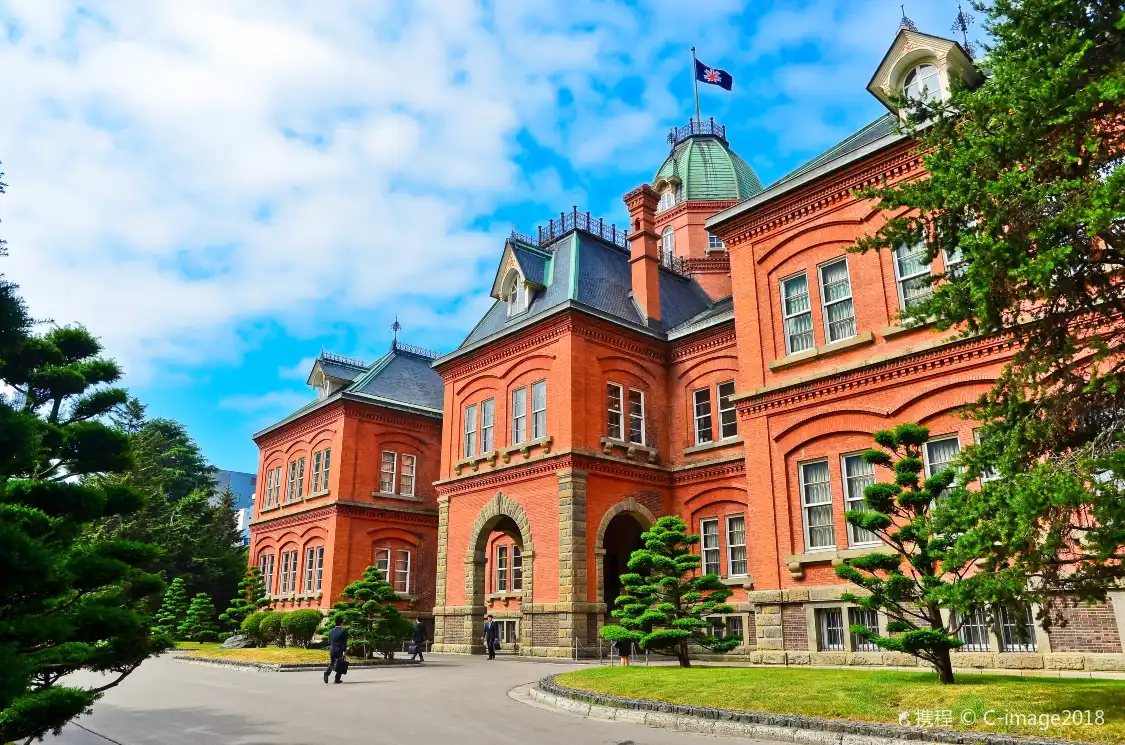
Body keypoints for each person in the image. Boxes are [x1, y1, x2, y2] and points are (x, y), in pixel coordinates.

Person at [323, 616, 348, 684]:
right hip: (339, 650)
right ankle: (337, 679)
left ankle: (327, 673)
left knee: (332, 663)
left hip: (332, 649)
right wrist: (344, 651)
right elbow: (344, 642)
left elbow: (329, 641)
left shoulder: (331, 631)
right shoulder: (343, 631)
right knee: (340, 664)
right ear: (341, 623)